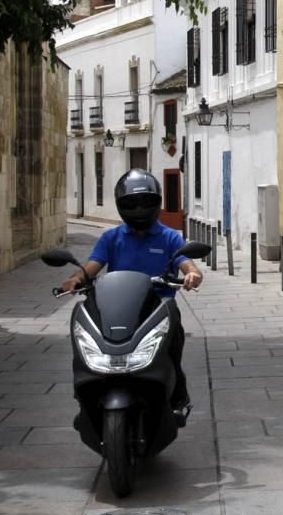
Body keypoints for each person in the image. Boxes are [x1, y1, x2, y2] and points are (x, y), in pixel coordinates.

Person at [61, 169, 202, 415]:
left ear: (156, 203)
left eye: (145, 202)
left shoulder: (169, 237)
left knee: (172, 349)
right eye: (132, 204)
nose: (138, 209)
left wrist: (192, 273)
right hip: (121, 307)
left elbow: (187, 263)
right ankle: (89, 391)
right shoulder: (111, 238)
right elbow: (93, 266)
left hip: (158, 307)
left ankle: (178, 396)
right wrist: (75, 278)